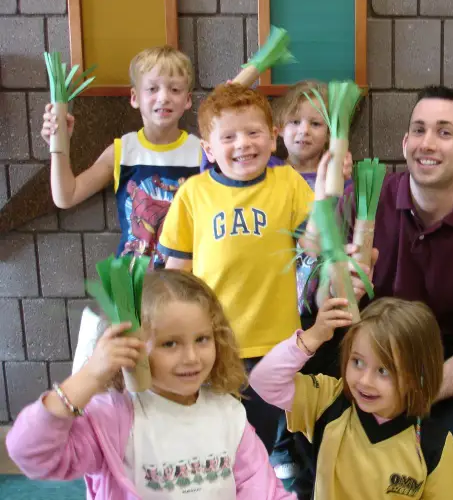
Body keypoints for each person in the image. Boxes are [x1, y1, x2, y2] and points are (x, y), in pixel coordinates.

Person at [311, 85, 453, 495]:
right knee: (312, 401)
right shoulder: (369, 201)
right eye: (419, 130)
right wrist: (341, 290)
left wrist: (414, 390)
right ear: (405, 142)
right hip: (367, 352)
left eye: (445, 132)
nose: (428, 143)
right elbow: (323, 308)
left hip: (449, 364)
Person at [157, 83, 350, 458]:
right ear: (209, 149)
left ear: (273, 137)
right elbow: (175, 277)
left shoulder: (288, 182)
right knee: (213, 442)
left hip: (275, 346)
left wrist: (326, 196)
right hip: (212, 346)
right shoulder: (194, 194)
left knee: (257, 443)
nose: (243, 143)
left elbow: (310, 245)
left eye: (253, 132)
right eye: (228, 136)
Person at [6, 270, 290, 499]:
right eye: (170, 344)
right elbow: (32, 454)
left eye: (202, 339)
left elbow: (263, 490)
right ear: (132, 348)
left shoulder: (228, 412)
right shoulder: (113, 418)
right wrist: (90, 375)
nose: (191, 357)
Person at [40, 47, 202, 375]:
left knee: (174, 370)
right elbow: (65, 196)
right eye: (153, 88)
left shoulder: (201, 151)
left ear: (187, 100)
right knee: (128, 375)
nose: (163, 97)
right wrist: (59, 145)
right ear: (134, 97)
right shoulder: (122, 150)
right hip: (130, 283)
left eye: (174, 89)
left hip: (183, 282)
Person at [250, 296, 453, 499]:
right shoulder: (328, 399)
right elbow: (263, 380)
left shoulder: (434, 444)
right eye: (358, 362)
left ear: (417, 377)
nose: (365, 381)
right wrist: (314, 335)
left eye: (383, 371)